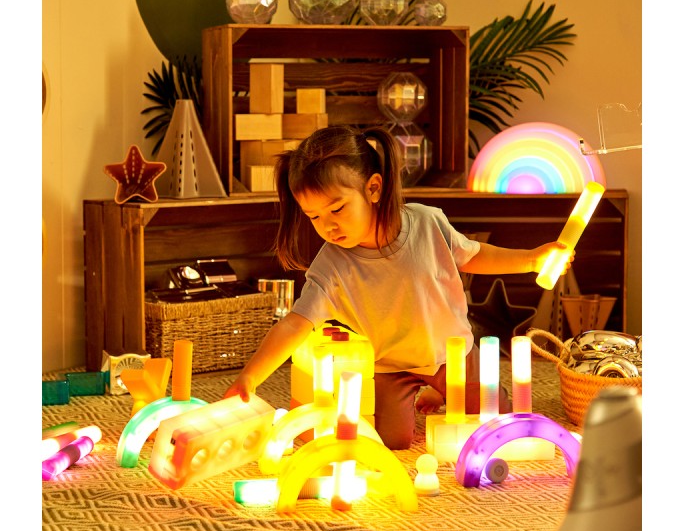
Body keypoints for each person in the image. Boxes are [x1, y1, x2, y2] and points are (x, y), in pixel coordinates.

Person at [224, 125, 573, 450]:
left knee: (498, 419)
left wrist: (531, 259)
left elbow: (474, 255)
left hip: (451, 355)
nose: (327, 226)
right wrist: (250, 377)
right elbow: (295, 324)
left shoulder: (427, 223)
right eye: (314, 216)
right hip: (390, 366)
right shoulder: (330, 265)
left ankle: (440, 390)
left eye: (337, 209)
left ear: (373, 188)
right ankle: (429, 390)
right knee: (393, 441)